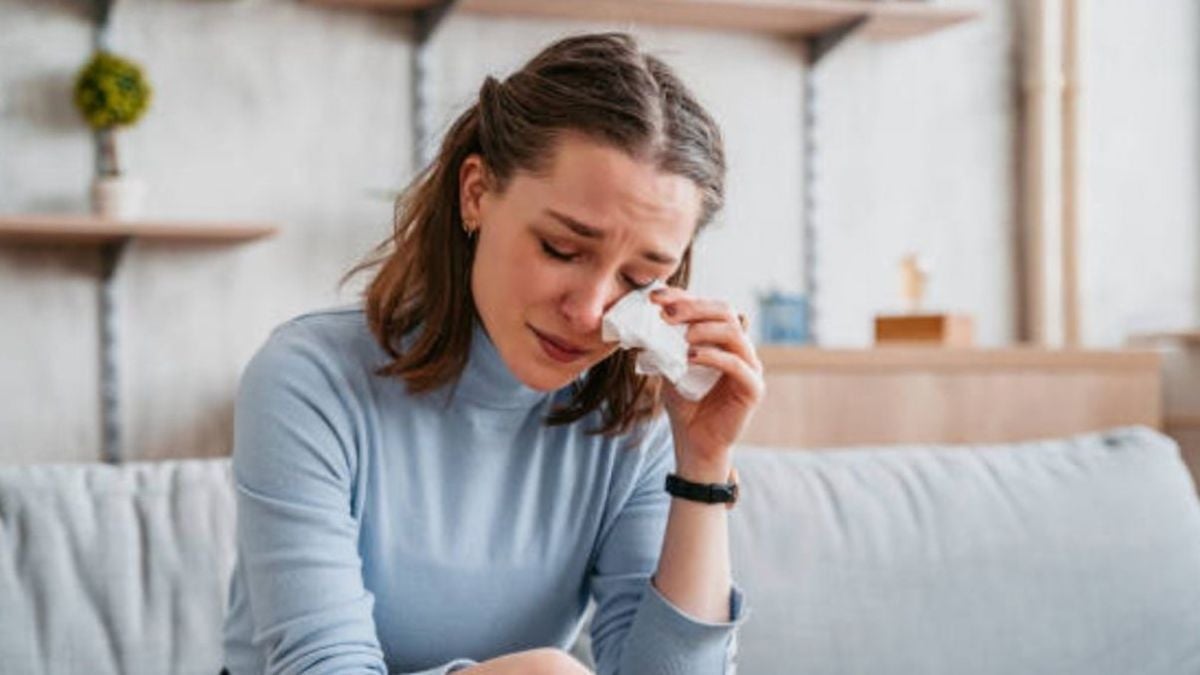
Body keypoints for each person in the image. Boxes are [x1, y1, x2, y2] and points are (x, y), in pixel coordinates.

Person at [221, 31, 763, 675]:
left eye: (639, 278)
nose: (592, 313)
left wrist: (702, 465)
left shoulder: (634, 419)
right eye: (562, 249)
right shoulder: (308, 378)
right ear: (476, 192)